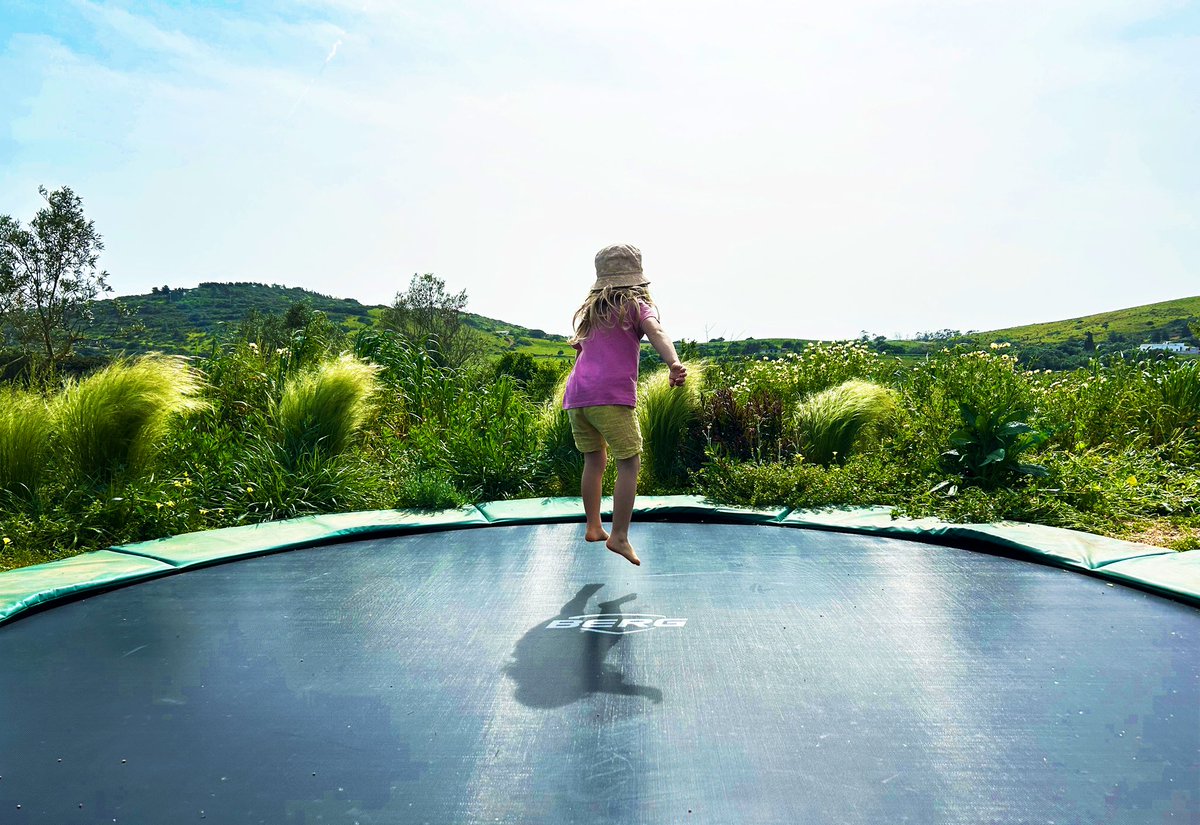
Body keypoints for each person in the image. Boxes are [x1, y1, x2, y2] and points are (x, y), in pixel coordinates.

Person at [562, 244, 686, 566]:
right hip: (610, 397)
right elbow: (656, 331)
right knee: (629, 462)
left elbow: (580, 353)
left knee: (594, 460)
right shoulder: (636, 305)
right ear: (637, 278)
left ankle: (593, 526)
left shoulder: (590, 311)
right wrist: (673, 364)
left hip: (577, 396)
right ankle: (618, 535)